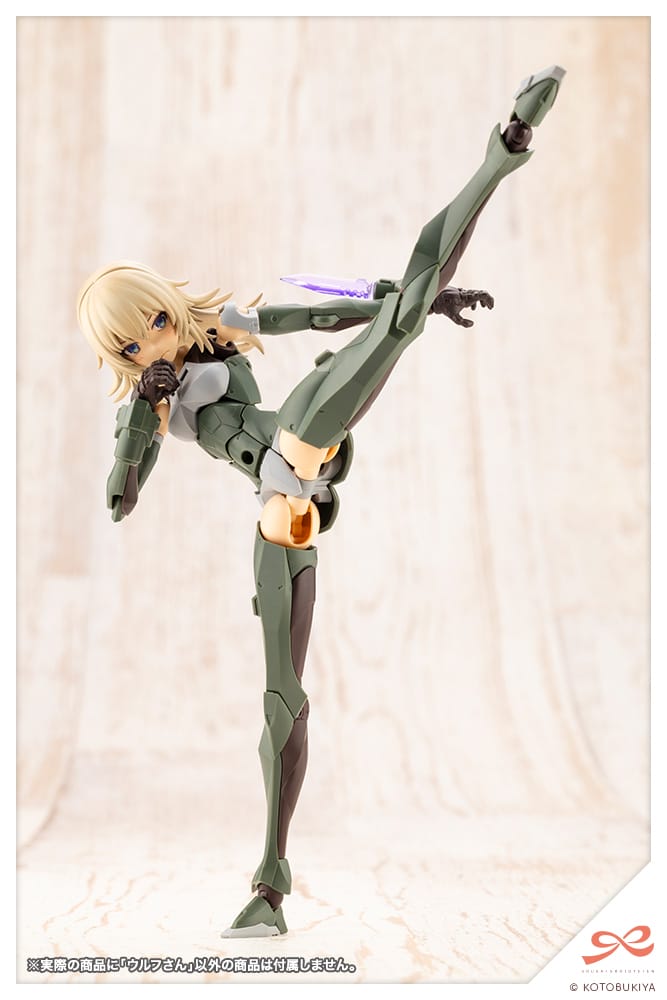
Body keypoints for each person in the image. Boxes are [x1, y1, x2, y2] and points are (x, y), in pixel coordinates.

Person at [77, 65, 564, 937]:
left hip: (302, 444)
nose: (154, 337)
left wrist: (411, 303)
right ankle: (268, 886)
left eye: (153, 319)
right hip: (278, 513)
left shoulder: (222, 328)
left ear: (166, 305)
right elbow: (122, 493)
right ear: (120, 354)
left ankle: (502, 150)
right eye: (133, 339)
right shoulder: (146, 402)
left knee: (391, 320)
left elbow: (311, 312)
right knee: (283, 699)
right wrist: (143, 415)